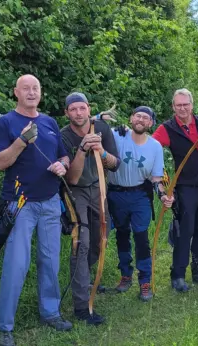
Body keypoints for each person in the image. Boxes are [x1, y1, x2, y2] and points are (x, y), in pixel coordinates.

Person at [0, 75, 72, 346]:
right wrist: (21, 141)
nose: (31, 92)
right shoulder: (7, 122)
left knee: (50, 261)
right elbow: (1, 163)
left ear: (41, 92)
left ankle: (50, 313)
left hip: (50, 202)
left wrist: (63, 165)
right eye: (25, 88)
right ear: (15, 92)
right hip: (20, 203)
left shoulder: (49, 122)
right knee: (17, 265)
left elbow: (64, 155)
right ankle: (5, 326)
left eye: (35, 88)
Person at [152, 88, 198, 292]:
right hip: (185, 188)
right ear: (173, 107)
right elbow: (152, 150)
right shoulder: (167, 128)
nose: (182, 108)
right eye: (178, 105)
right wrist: (162, 182)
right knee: (185, 231)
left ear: (192, 104)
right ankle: (178, 275)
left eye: (186, 104)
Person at [60, 92, 120, 325]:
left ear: (88, 109)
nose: (78, 113)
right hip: (77, 193)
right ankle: (82, 306)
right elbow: (73, 178)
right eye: (73, 109)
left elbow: (115, 164)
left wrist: (102, 152)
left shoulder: (101, 128)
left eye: (82, 108)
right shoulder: (64, 136)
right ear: (67, 113)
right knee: (81, 244)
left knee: (100, 239)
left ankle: (84, 279)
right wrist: (83, 150)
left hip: (100, 189)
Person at [107, 106, 174, 301]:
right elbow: (94, 131)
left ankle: (145, 281)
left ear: (151, 123)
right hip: (116, 194)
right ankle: (125, 274)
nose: (141, 119)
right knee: (121, 235)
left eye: (146, 118)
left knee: (141, 238)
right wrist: (102, 122)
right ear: (131, 118)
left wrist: (162, 196)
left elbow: (157, 178)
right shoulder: (116, 135)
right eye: (138, 115)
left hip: (140, 196)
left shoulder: (155, 146)